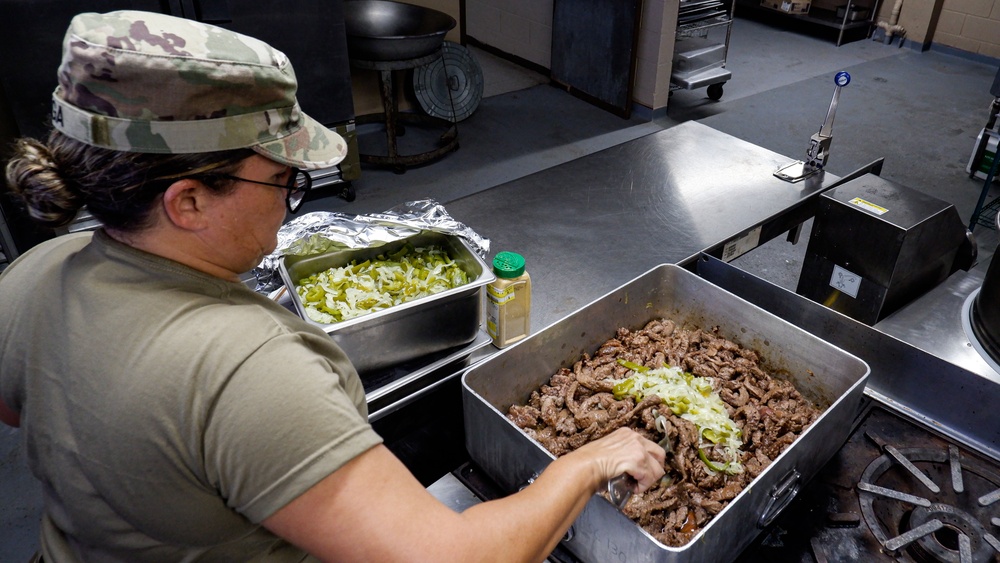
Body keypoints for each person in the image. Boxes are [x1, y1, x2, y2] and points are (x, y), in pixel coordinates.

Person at [0, 10, 666, 562]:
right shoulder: (247, 369)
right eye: (282, 178)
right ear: (189, 202)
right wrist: (587, 460)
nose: (296, 195)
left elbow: (19, 410)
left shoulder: (31, 274)